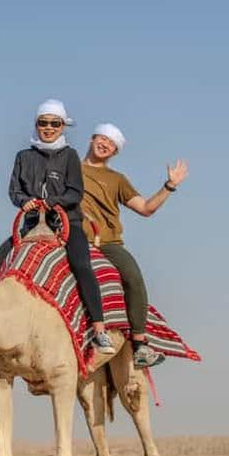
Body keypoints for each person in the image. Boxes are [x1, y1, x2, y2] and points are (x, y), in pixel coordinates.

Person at [0, 99, 114, 361]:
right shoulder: (24, 157)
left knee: (82, 265)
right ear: (36, 125)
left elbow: (75, 192)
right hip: (30, 225)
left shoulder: (70, 156)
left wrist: (52, 202)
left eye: (55, 123)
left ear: (63, 127)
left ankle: (99, 329)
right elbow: (13, 190)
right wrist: (24, 202)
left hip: (66, 223)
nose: (48, 128)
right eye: (44, 123)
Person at [81, 123, 188, 368]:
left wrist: (169, 186)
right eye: (103, 138)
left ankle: (140, 344)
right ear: (92, 138)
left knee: (133, 278)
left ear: (114, 152)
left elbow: (146, 208)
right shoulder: (70, 167)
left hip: (107, 242)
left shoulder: (117, 179)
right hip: (73, 238)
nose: (105, 144)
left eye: (111, 144)